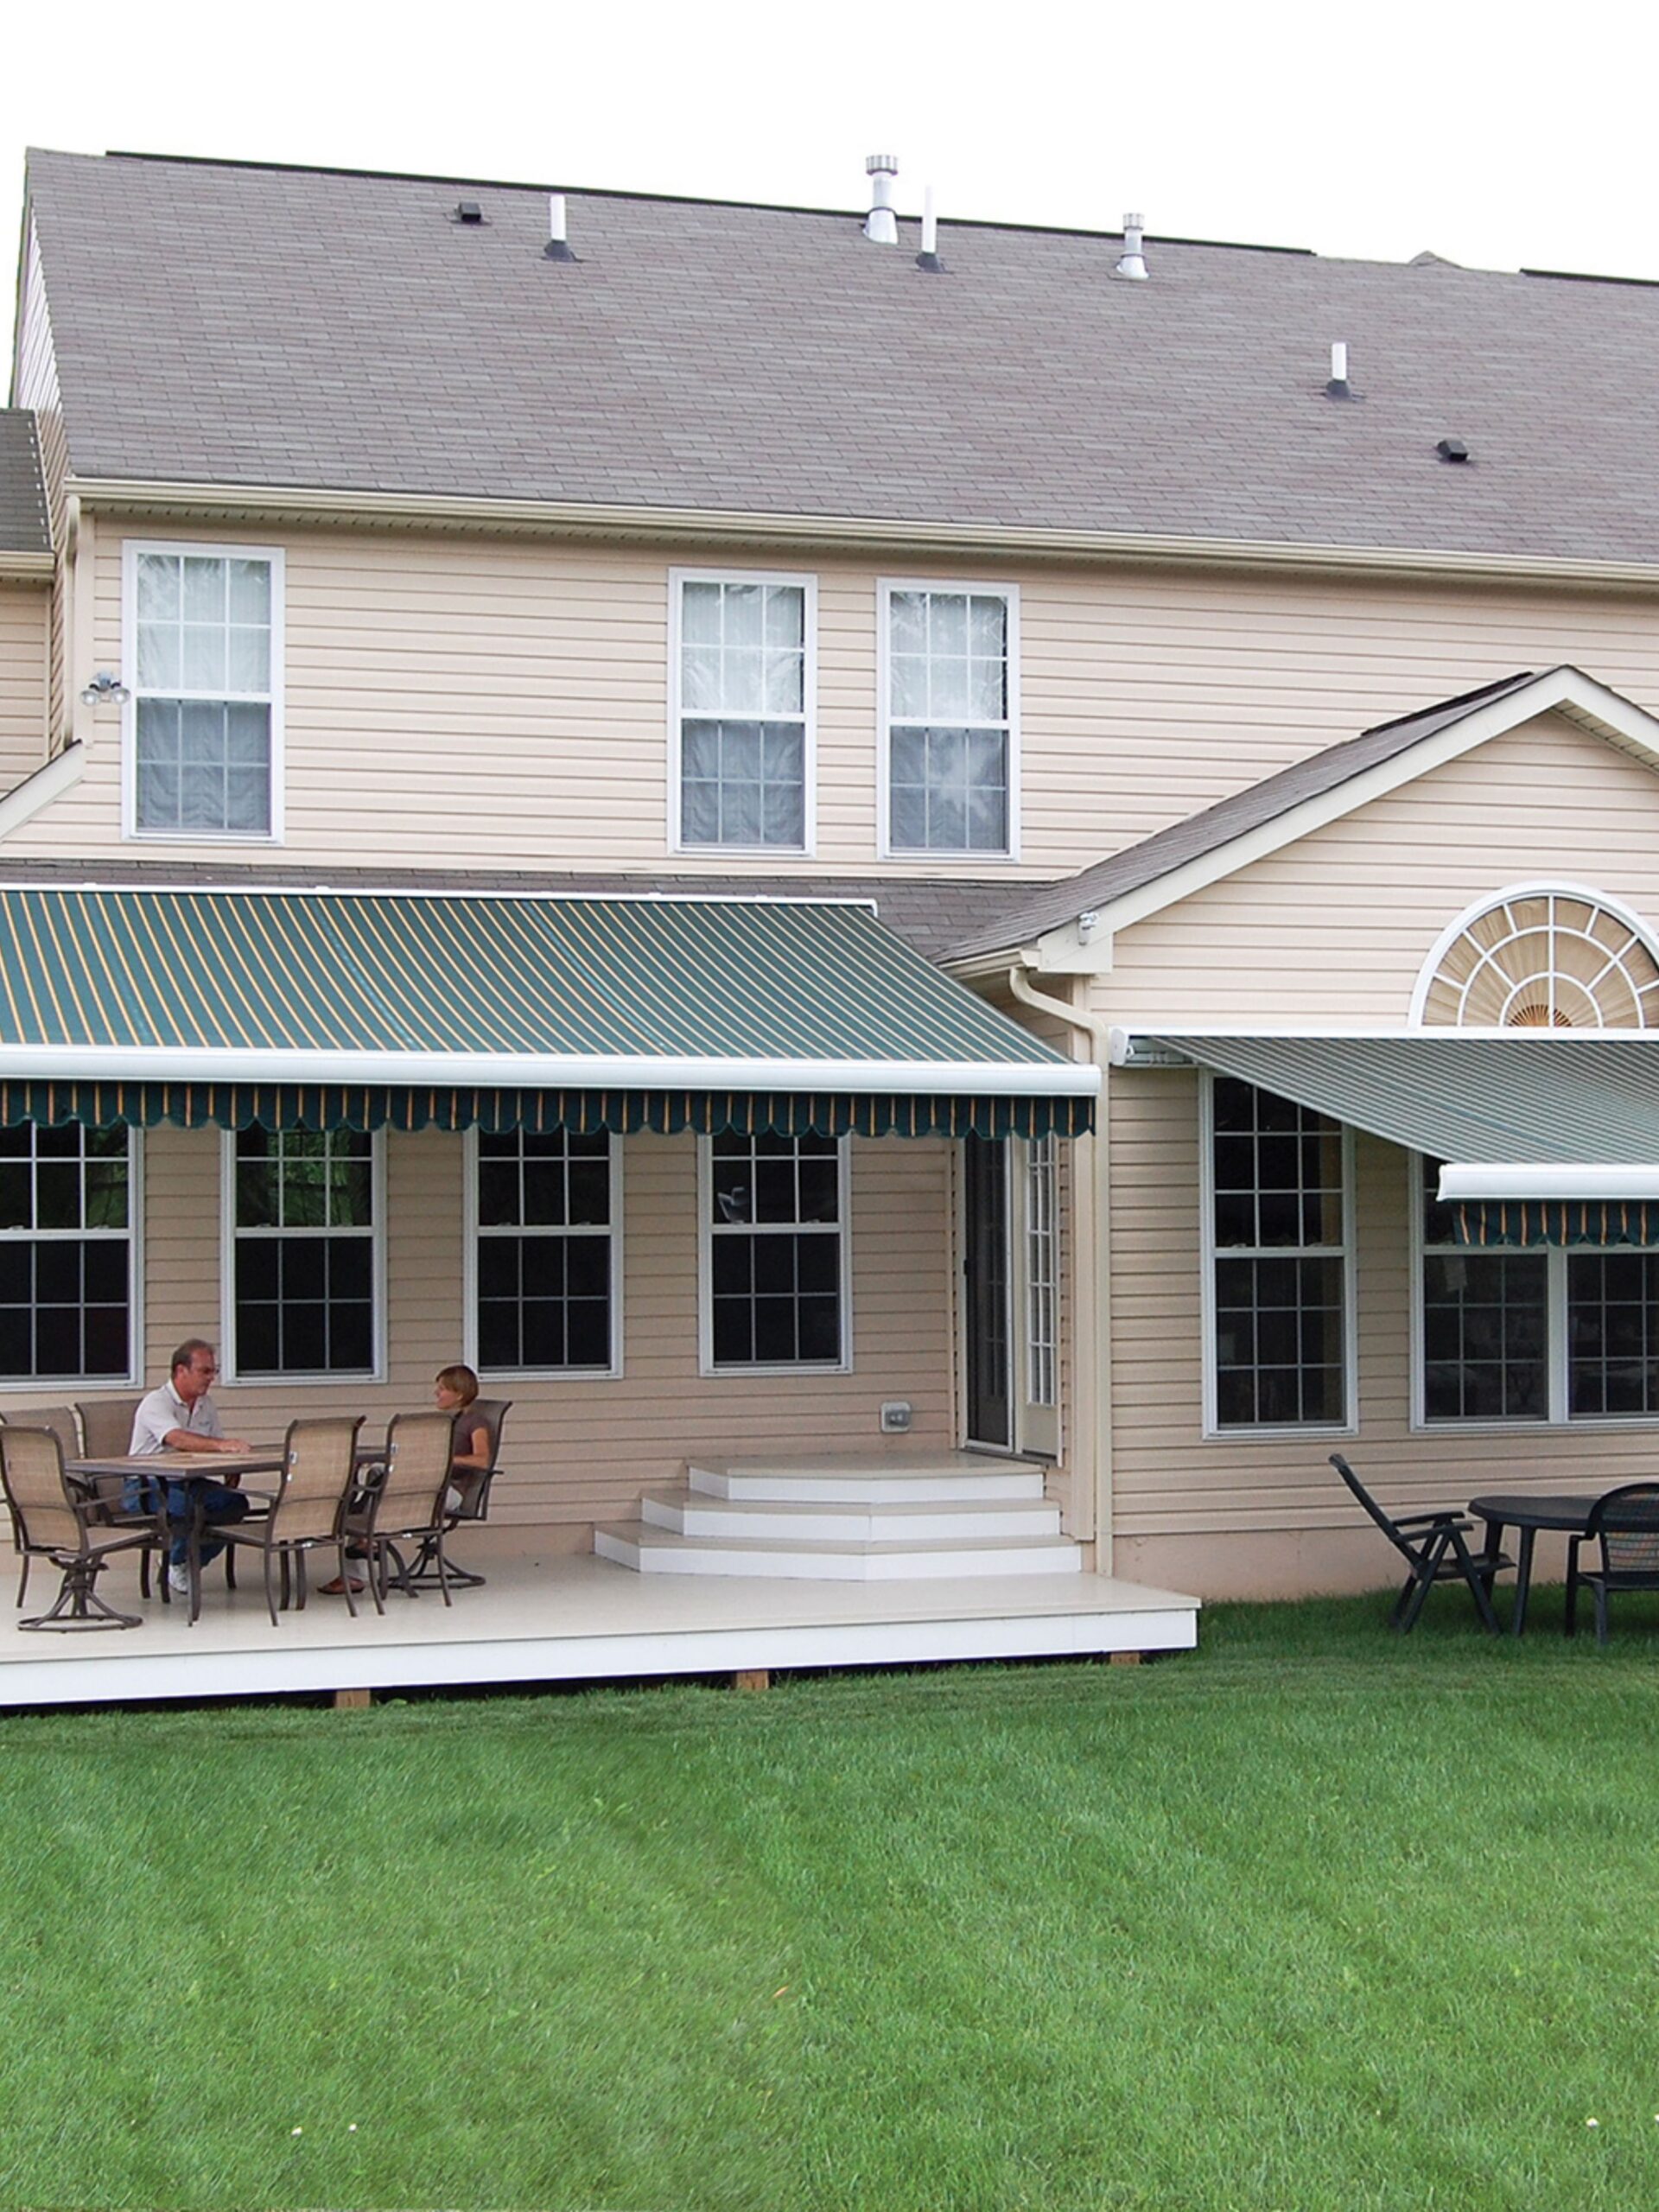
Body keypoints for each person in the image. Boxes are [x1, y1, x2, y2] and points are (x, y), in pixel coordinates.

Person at [129, 1338, 254, 1597]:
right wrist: (222, 1446)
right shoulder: (156, 1402)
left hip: (190, 1482)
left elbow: (217, 1447)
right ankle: (177, 1562)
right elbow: (177, 1439)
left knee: (235, 1504)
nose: (211, 1378)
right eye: (205, 1371)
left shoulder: (206, 1404)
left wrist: (232, 1465)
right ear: (181, 1370)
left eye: (214, 1371)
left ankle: (184, 1562)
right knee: (188, 1509)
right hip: (146, 1486)